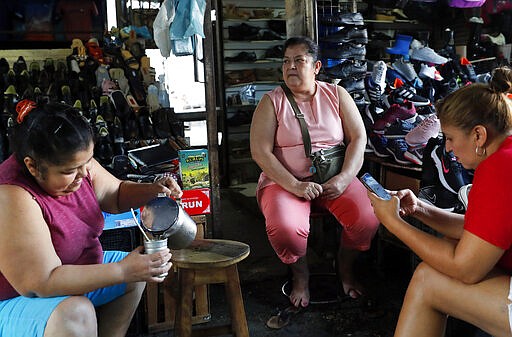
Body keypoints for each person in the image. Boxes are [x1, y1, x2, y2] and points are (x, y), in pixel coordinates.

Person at [0, 100, 182, 337]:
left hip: (67, 270)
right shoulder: (11, 195)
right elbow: (41, 282)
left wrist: (153, 190)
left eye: (88, 162)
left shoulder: (76, 161)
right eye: (70, 171)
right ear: (33, 167)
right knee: (77, 313)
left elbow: (114, 195)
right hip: (13, 298)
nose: (84, 175)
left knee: (137, 269)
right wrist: (122, 271)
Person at [367, 66, 512, 337]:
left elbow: (465, 268)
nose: (447, 148)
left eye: (451, 138)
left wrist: (393, 223)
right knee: (434, 267)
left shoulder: (499, 168)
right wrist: (421, 209)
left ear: (479, 135)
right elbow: (479, 231)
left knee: (428, 281)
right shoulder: (506, 153)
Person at [250, 36, 380, 308]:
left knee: (367, 219)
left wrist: (344, 178)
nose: (291, 67)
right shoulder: (271, 102)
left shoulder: (336, 94)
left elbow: (358, 137)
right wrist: (295, 185)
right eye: (286, 61)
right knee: (286, 228)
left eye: (299, 60)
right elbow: (260, 152)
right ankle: (301, 275)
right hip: (284, 183)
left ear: (317, 66)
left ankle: (344, 267)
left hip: (334, 178)